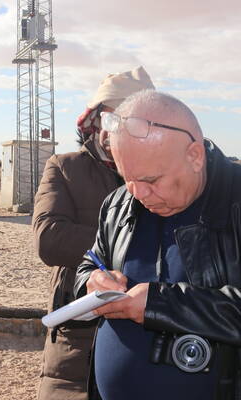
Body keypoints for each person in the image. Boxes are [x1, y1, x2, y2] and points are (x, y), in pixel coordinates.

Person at [74, 90, 241, 399]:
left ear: (195, 156)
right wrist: (90, 283)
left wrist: (163, 304)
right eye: (127, 178)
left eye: (151, 180)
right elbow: (91, 263)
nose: (138, 193)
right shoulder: (118, 204)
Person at [32, 66, 155, 399]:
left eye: (129, 120)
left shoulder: (161, 174)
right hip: (76, 337)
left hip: (147, 333)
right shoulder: (65, 167)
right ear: (96, 119)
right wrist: (136, 244)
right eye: (109, 118)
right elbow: (49, 238)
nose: (113, 130)